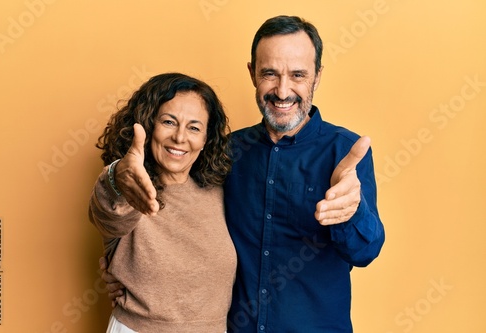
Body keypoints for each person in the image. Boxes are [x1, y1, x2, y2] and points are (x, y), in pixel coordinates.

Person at [102, 15, 385, 332]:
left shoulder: (345, 152)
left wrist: (350, 212)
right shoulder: (225, 151)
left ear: (317, 76)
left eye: (298, 75)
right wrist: (117, 263)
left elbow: (364, 252)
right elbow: (175, 215)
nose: (282, 90)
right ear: (252, 73)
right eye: (269, 73)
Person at [89, 72, 237, 333]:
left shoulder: (220, 190)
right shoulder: (131, 188)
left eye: (194, 127)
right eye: (169, 122)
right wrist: (117, 178)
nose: (180, 138)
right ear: (148, 125)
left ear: (205, 139)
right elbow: (107, 213)